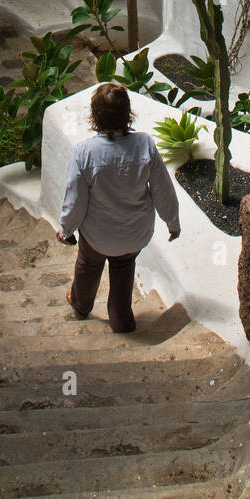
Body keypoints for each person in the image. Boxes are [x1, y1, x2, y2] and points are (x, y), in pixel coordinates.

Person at [56, 82, 181, 333]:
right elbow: (163, 190)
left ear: (95, 116)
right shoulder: (145, 145)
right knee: (123, 269)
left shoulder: (85, 152)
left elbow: (75, 200)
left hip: (97, 237)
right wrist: (173, 222)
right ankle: (121, 320)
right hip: (135, 235)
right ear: (128, 113)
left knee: (88, 264)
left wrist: (65, 229)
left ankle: (81, 305)